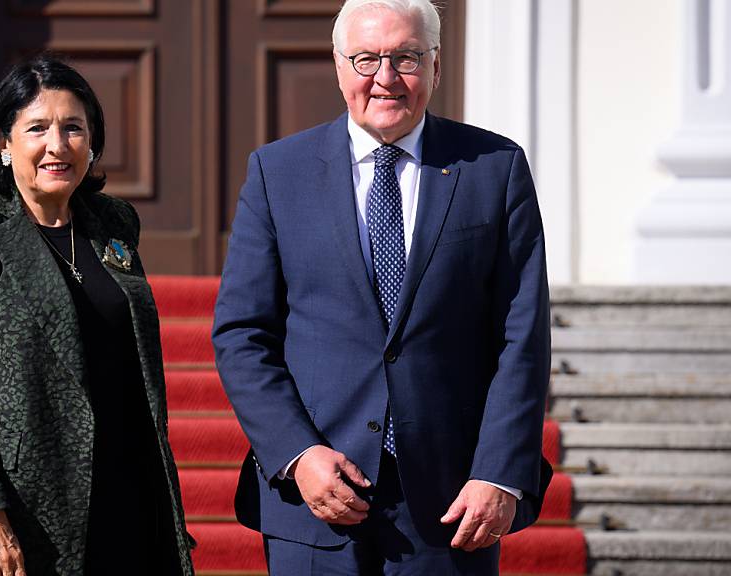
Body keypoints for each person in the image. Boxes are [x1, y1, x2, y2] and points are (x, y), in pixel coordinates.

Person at [212, 0, 553, 573]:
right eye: (367, 59)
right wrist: (298, 455)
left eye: (407, 58)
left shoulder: (495, 167)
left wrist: (498, 469)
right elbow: (242, 332)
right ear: (339, 67)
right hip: (316, 499)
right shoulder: (278, 172)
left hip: (452, 505)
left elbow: (522, 334)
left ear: (437, 67)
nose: (386, 78)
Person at [0, 52, 194, 576]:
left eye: (73, 128)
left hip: (120, 496)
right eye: (37, 129)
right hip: (14, 511)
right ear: (5, 143)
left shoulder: (113, 223)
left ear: (92, 141)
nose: (57, 145)